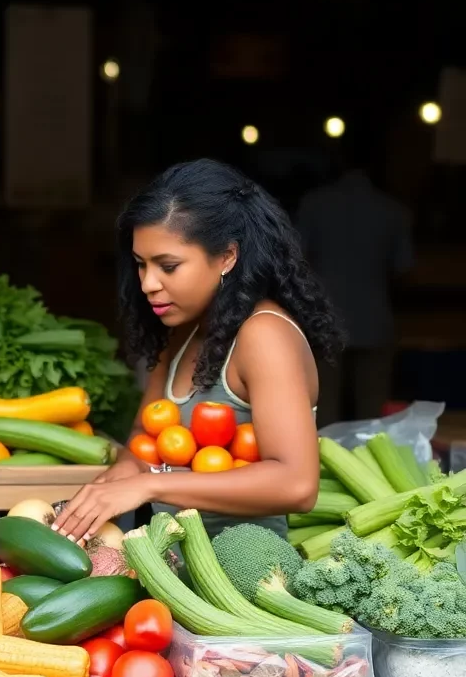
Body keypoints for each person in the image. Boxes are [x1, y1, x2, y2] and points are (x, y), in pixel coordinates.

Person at [53, 158, 343, 544]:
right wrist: (118, 480)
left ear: (226, 256)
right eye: (141, 265)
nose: (147, 284)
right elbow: (144, 438)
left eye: (168, 266)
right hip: (169, 570)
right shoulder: (185, 329)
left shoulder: (264, 335)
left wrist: (150, 486)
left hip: (242, 579)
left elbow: (296, 484)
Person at [297, 151, 413, 426]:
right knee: (372, 412)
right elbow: (404, 268)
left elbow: (295, 259)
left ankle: (319, 466)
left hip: (324, 318)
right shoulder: (394, 210)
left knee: (321, 410)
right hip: (375, 318)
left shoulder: (314, 204)